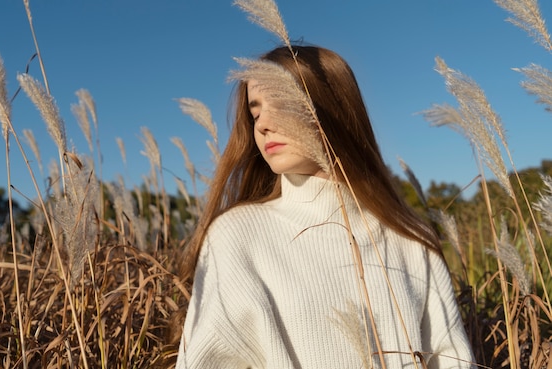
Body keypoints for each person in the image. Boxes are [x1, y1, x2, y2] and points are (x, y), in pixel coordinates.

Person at [174, 45, 475, 368]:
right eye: (255, 111)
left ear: (333, 107)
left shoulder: (410, 239)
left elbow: (452, 359)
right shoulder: (238, 234)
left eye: (282, 101)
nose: (262, 123)